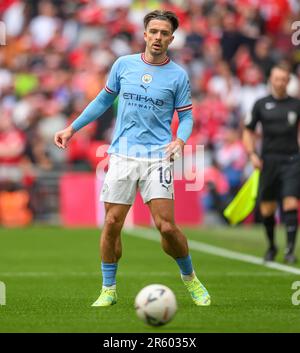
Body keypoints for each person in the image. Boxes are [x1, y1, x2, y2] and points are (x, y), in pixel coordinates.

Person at [54, 10, 211, 307]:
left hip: (157, 156)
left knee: (166, 226)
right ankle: (108, 289)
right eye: (153, 31)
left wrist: (180, 139)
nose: (158, 37)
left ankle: (190, 279)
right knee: (112, 223)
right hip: (123, 154)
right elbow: (103, 100)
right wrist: (72, 128)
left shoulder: (178, 75)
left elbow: (187, 115)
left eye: (164, 33)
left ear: (171, 39)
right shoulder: (123, 65)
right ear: (145, 34)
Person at [243, 63, 300, 264]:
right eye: (277, 79)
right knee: (267, 208)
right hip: (268, 161)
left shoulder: (296, 104)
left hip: (292, 160)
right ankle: (271, 246)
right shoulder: (260, 104)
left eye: (284, 79)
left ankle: (290, 250)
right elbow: (248, 131)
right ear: (271, 80)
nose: (280, 82)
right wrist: (252, 154)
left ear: (288, 81)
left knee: (291, 202)